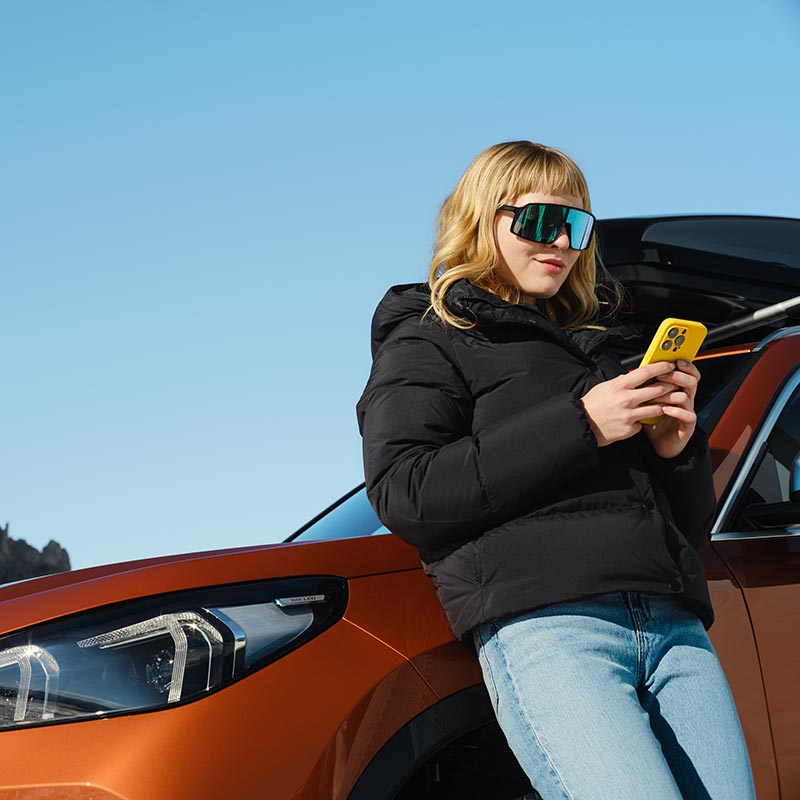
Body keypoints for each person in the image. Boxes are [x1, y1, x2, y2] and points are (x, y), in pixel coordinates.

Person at [356, 141, 756, 799]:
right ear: (482, 218)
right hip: (552, 628)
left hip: (675, 629)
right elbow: (408, 491)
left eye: (577, 225)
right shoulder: (430, 335)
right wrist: (584, 423)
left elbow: (686, 531)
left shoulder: (603, 349)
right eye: (542, 221)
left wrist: (675, 450)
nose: (563, 243)